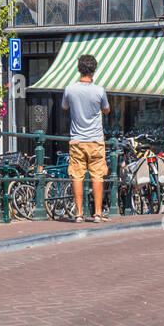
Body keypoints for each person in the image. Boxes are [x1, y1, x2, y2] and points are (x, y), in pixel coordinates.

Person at [61, 53, 110, 223]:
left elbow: (64, 106)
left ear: (78, 69)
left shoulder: (70, 89)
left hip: (77, 139)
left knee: (77, 175)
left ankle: (79, 213)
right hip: (96, 139)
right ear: (94, 70)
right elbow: (106, 109)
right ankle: (97, 213)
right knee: (97, 176)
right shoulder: (99, 90)